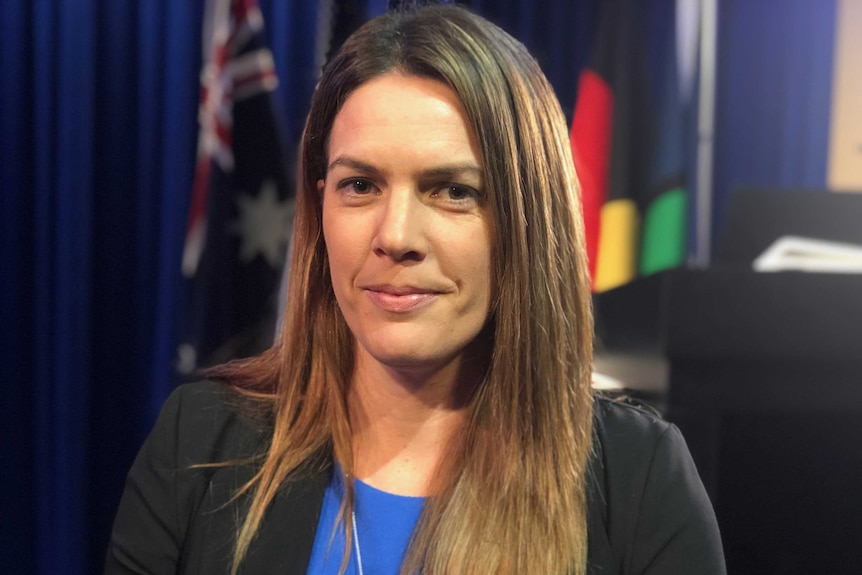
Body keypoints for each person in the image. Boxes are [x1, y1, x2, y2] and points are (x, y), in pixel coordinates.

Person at [105, 4, 725, 575]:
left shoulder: (638, 480)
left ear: (527, 222)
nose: (396, 235)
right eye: (360, 186)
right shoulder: (199, 446)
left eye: (454, 190)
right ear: (319, 207)